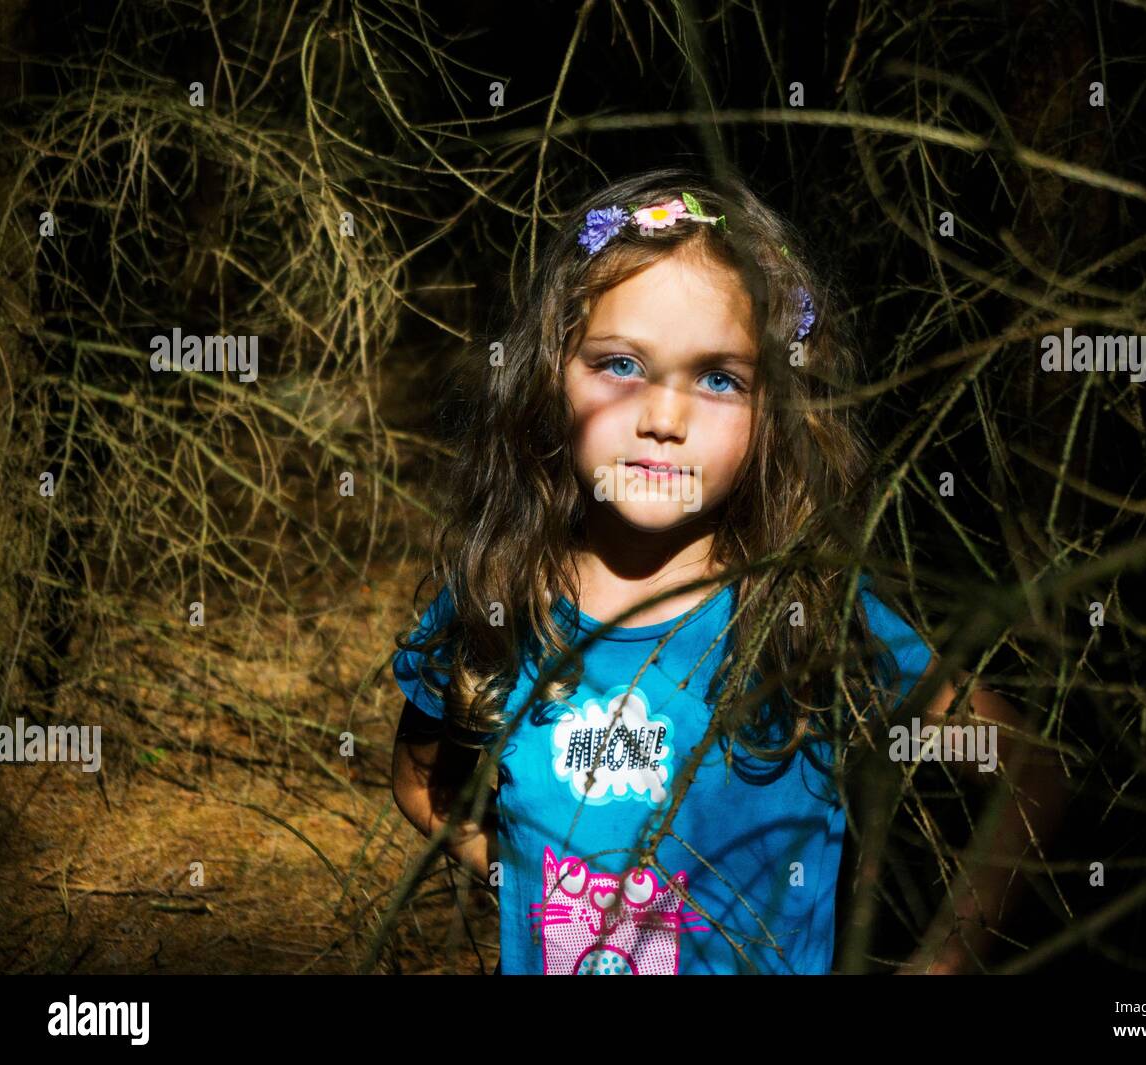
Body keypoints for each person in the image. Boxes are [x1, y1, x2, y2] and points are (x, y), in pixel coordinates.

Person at [390, 167, 1066, 975]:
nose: (663, 417)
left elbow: (1032, 768)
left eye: (719, 378)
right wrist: (536, 884)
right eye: (620, 363)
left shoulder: (809, 617)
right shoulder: (497, 600)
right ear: (548, 374)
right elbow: (425, 785)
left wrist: (944, 962)